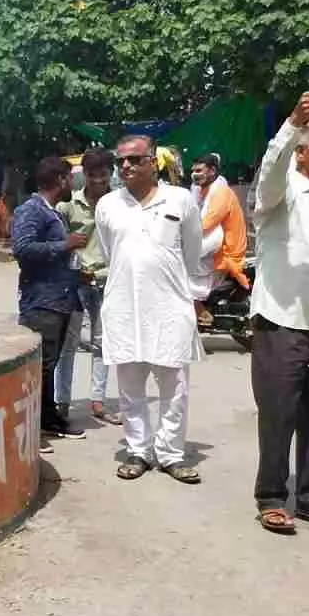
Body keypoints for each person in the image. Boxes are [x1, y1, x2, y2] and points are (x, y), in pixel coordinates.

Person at [98, 135, 205, 484]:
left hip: (170, 308)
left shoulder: (181, 199)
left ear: (153, 162)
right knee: (130, 390)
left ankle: (171, 454)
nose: (125, 166)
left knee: (174, 389)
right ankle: (138, 451)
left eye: (134, 159)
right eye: (121, 161)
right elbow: (110, 254)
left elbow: (192, 253)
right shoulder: (108, 206)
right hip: (124, 309)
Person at [249, 92, 309, 533]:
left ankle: (307, 497)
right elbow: (270, 172)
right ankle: (272, 494)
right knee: (279, 413)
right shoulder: (280, 190)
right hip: (281, 320)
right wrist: (290, 124)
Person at [11, 157, 88, 454]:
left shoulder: (51, 212)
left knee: (49, 364)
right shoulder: (30, 210)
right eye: (70, 177)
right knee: (38, 368)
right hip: (41, 302)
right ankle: (32, 428)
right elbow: (22, 249)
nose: (73, 183)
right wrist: (65, 244)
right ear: (60, 179)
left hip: (59, 299)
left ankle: (49, 417)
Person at [56, 150, 116, 425]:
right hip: (76, 283)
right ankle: (62, 403)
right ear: (85, 176)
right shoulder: (68, 205)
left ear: (110, 174)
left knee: (102, 345)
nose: (98, 180)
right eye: (93, 175)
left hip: (108, 281)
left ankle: (98, 401)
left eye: (103, 174)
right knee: (68, 346)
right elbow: (58, 244)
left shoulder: (119, 203)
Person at [188, 153, 249, 325]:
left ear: (212, 171)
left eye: (199, 170)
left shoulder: (220, 192)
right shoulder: (204, 191)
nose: (195, 174)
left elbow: (205, 224)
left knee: (176, 269)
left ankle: (199, 309)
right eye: (193, 171)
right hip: (216, 248)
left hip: (226, 252)